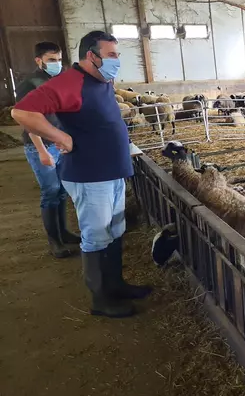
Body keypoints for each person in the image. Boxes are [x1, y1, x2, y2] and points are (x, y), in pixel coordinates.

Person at [11, 30, 151, 318]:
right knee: (96, 235)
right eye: (112, 55)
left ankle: (116, 285)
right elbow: (22, 112)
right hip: (89, 174)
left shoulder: (101, 81)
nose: (117, 60)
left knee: (114, 230)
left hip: (111, 171)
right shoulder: (69, 81)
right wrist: (59, 138)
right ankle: (101, 298)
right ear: (92, 55)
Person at [15, 41, 80, 259]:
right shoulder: (29, 84)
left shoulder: (56, 80)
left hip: (58, 143)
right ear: (39, 60)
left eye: (59, 59)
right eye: (52, 60)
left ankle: (64, 232)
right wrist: (42, 151)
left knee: (61, 190)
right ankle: (55, 242)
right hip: (40, 146)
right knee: (50, 191)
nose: (57, 64)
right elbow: (28, 118)